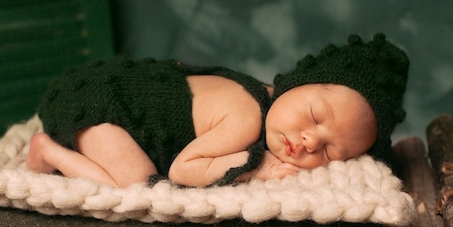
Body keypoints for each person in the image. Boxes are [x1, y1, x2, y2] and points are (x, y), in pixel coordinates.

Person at [27, 33, 409, 188]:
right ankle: (49, 151)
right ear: (296, 84)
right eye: (313, 115)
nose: (310, 140)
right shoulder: (246, 116)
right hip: (97, 106)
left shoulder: (271, 102)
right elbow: (183, 169)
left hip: (120, 94)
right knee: (137, 186)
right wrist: (255, 168)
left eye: (329, 151)